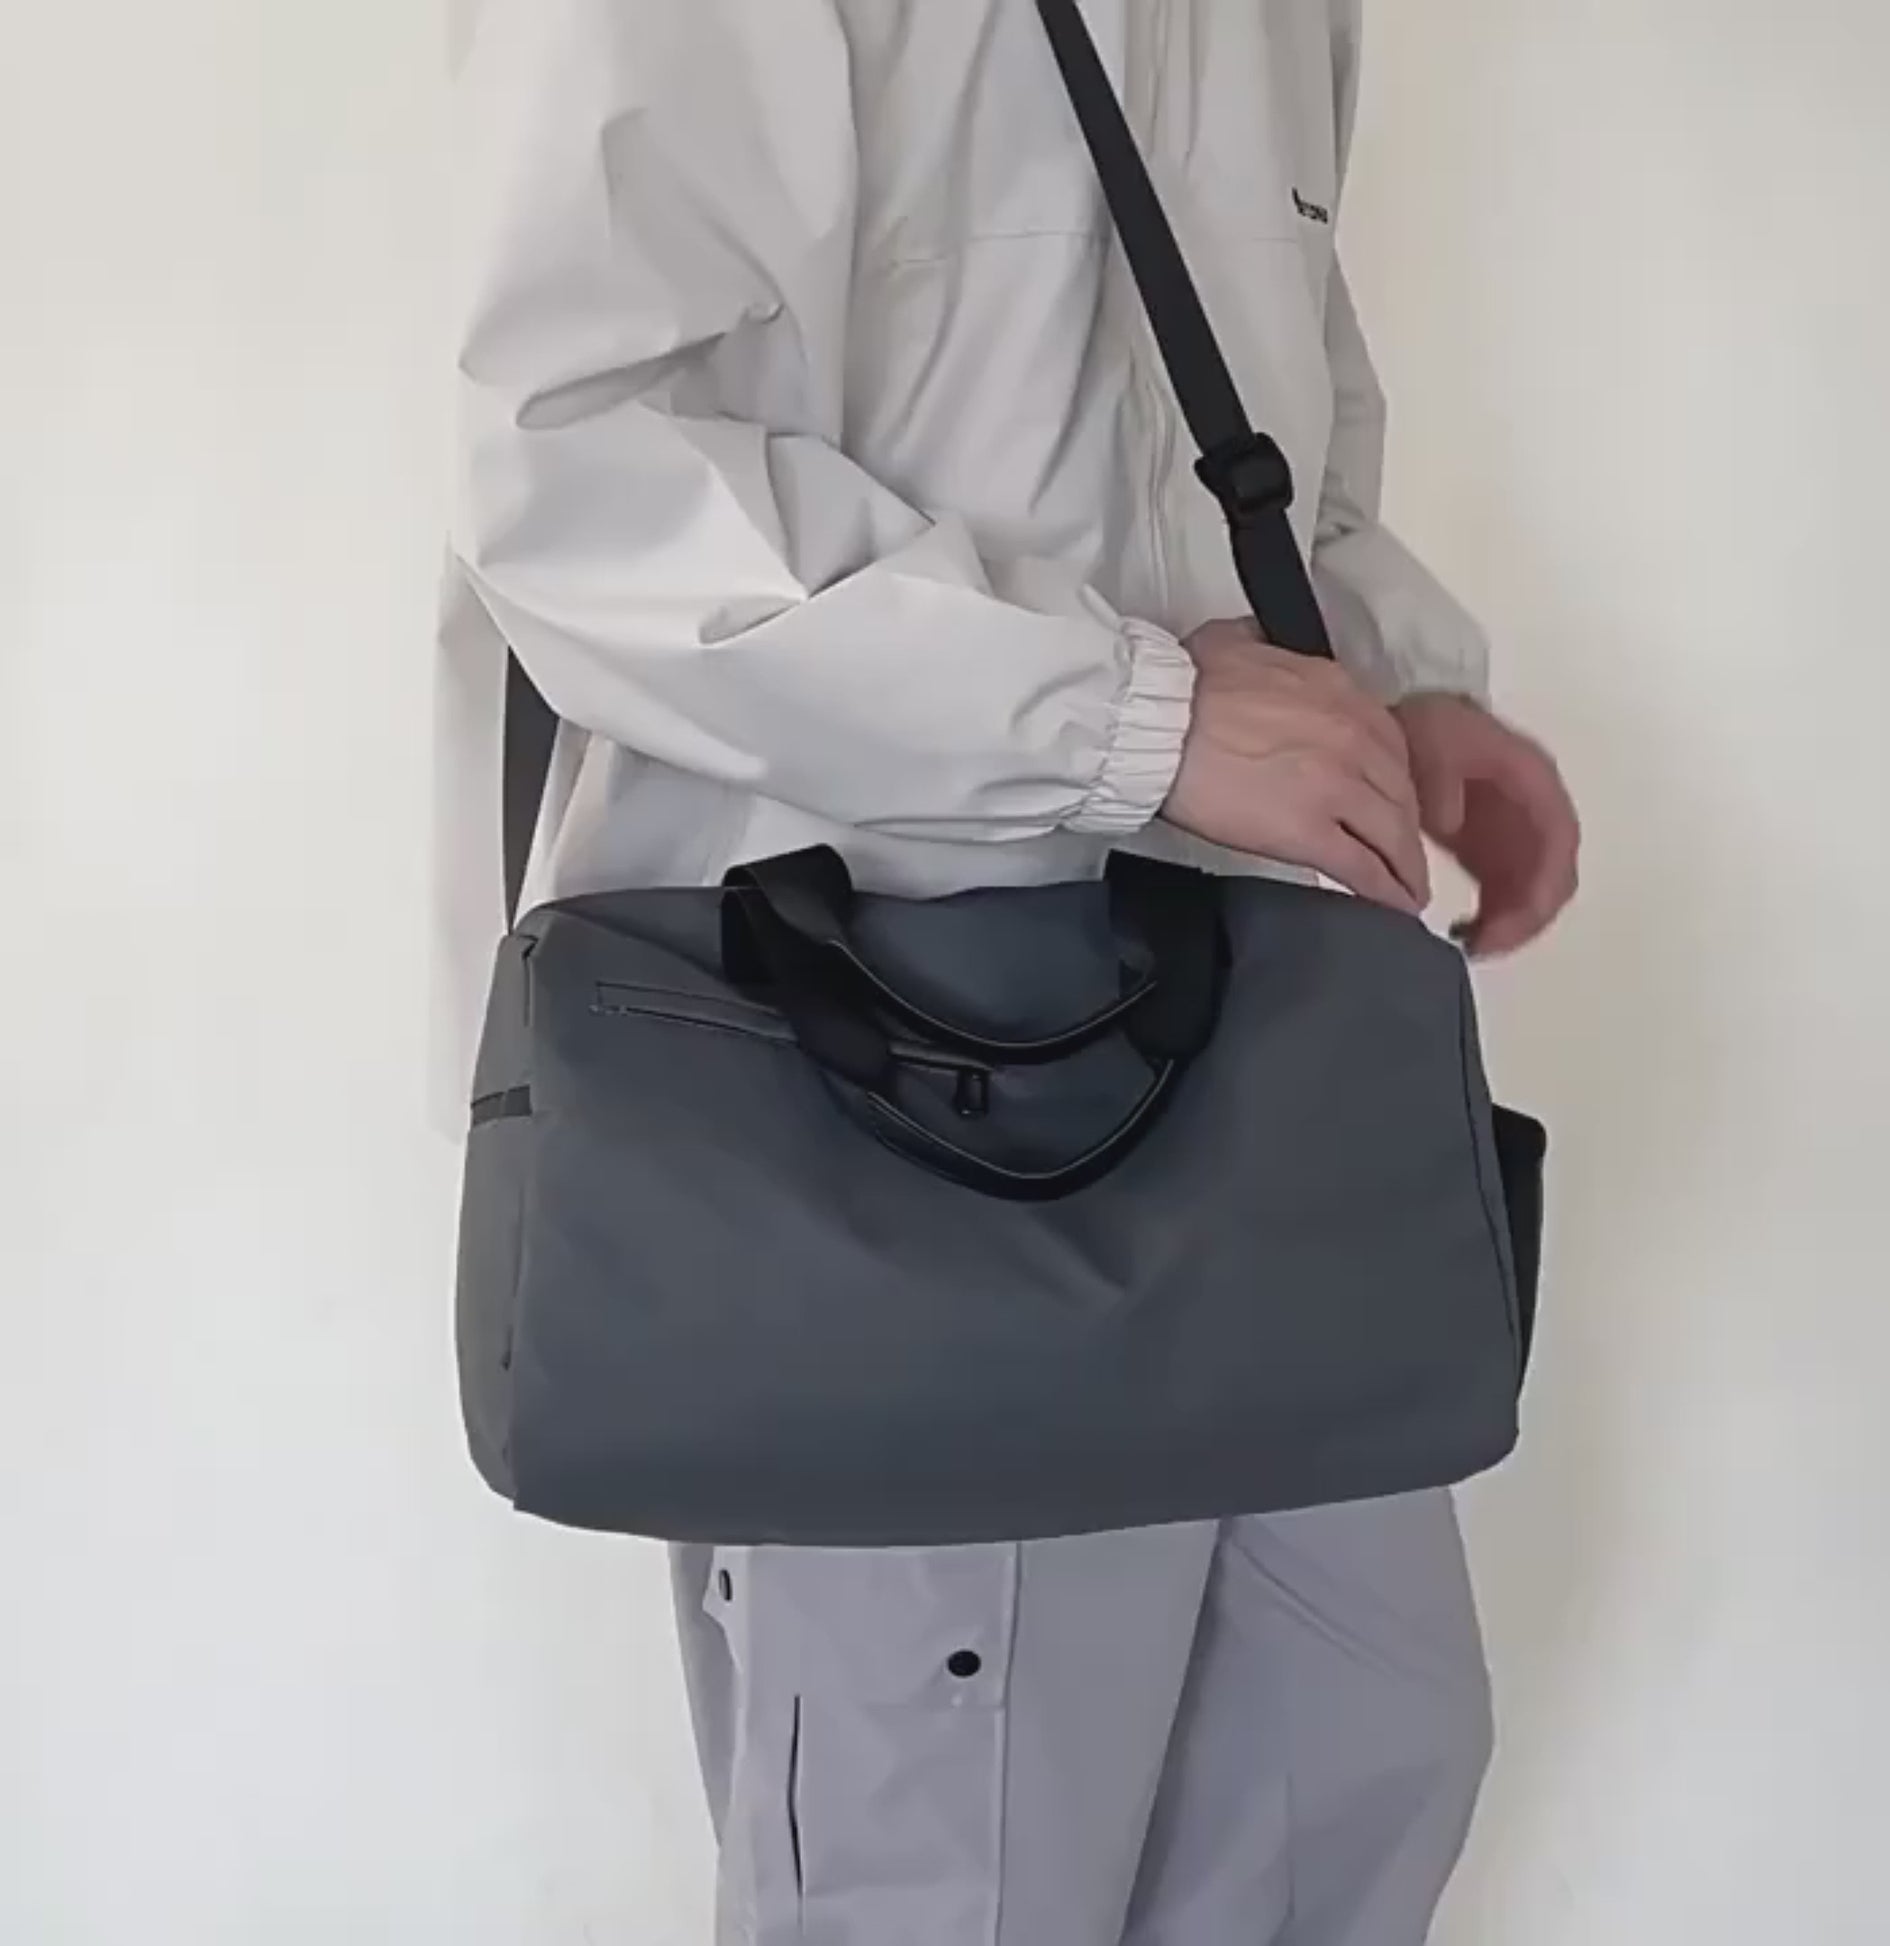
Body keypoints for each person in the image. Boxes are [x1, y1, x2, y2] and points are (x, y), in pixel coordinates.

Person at [444, 2, 1581, 1942]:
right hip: (868, 1036)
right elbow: (577, 466)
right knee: (952, 1863)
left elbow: (1242, 376)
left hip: (1236, 1023)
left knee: (1360, 1742)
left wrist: (1386, 680)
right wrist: (1127, 716)